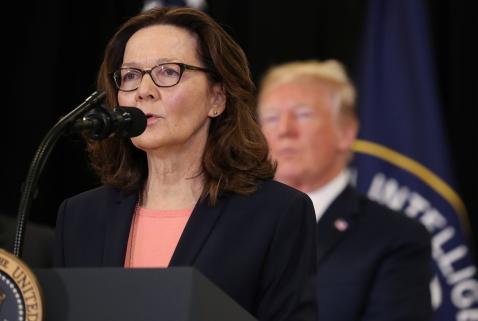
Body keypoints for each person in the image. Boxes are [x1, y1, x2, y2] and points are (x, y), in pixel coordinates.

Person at [54, 7, 317, 321]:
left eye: (168, 71)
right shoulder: (80, 217)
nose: (143, 91)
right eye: (131, 75)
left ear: (217, 98)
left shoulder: (277, 214)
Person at [258, 59, 432, 321]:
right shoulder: (234, 225)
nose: (284, 130)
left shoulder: (396, 238)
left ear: (346, 133)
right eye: (271, 118)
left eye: (303, 114)